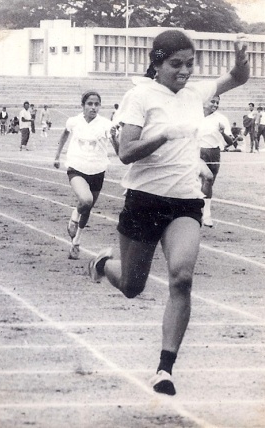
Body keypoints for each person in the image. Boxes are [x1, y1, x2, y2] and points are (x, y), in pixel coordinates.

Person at [89, 30, 249, 396]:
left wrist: (240, 61)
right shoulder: (140, 96)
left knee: (181, 278)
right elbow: (126, 152)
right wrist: (165, 134)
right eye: (176, 64)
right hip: (144, 199)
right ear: (157, 63)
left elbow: (237, 79)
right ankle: (103, 264)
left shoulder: (196, 92)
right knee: (132, 286)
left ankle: (165, 368)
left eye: (190, 64)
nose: (184, 71)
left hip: (184, 202)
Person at [53, 91, 118, 260]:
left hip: (97, 170)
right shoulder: (73, 121)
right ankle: (74, 217)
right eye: (90, 104)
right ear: (83, 105)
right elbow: (64, 135)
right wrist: (57, 156)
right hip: (76, 167)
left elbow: (118, 151)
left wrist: (115, 137)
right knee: (86, 200)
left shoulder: (106, 124)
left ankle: (76, 242)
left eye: (97, 104)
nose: (93, 107)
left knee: (88, 208)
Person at [198, 95, 233, 227]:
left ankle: (203, 213)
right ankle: (205, 215)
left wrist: (223, 132)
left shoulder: (221, 119)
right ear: (204, 101)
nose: (215, 104)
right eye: (212, 101)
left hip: (214, 153)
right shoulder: (194, 115)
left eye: (217, 102)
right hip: (196, 152)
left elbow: (230, 143)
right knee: (207, 177)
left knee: (208, 183)